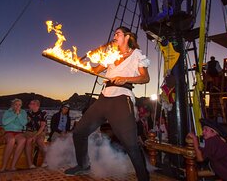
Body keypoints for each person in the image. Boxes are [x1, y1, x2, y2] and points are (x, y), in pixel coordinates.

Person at [65, 26, 150, 181]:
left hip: (122, 98)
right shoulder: (112, 55)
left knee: (130, 143)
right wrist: (77, 63)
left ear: (127, 37)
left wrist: (126, 79)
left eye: (117, 33)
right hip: (104, 97)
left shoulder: (136, 54)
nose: (114, 36)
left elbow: (145, 78)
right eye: (114, 34)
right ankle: (83, 165)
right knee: (79, 132)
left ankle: (144, 177)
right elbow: (96, 70)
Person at [0, 98, 27, 171]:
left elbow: (24, 123)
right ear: (12, 105)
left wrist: (19, 115)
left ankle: (13, 166)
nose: (18, 106)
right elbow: (4, 122)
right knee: (11, 140)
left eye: (19, 105)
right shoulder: (7, 112)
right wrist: (15, 114)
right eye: (16, 104)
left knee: (23, 140)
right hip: (8, 131)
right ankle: (4, 166)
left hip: (18, 132)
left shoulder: (23, 112)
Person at [24, 99, 48, 168]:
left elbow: (42, 126)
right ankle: (30, 164)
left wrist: (35, 136)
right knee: (29, 141)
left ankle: (45, 161)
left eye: (31, 103)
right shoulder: (28, 113)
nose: (29, 105)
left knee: (40, 141)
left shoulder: (43, 113)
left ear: (36, 105)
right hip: (29, 132)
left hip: (40, 131)